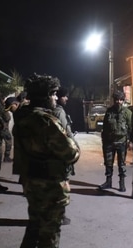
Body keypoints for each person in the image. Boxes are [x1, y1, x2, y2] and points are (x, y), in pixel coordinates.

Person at [8, 73, 80, 248]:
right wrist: (73, 142)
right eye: (54, 94)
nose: (56, 98)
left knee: (34, 226)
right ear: (46, 96)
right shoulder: (47, 121)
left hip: (31, 181)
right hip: (51, 184)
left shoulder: (22, 118)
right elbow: (71, 153)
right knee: (50, 231)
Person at [98, 90, 132, 192]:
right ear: (114, 100)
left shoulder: (127, 113)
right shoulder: (109, 111)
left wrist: (130, 141)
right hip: (109, 142)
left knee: (121, 164)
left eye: (120, 100)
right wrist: (104, 140)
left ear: (123, 100)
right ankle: (108, 181)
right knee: (108, 163)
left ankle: (122, 183)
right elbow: (105, 126)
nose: (118, 102)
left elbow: (130, 128)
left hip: (121, 142)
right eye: (116, 99)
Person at [52, 86, 75, 226]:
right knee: (62, 185)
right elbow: (65, 133)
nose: (66, 98)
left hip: (54, 152)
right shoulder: (59, 112)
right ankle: (60, 216)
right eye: (64, 96)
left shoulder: (53, 111)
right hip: (61, 152)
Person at [2, 96, 17, 162]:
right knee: (8, 141)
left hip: (3, 128)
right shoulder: (3, 110)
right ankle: (6, 156)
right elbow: (7, 118)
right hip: (3, 128)